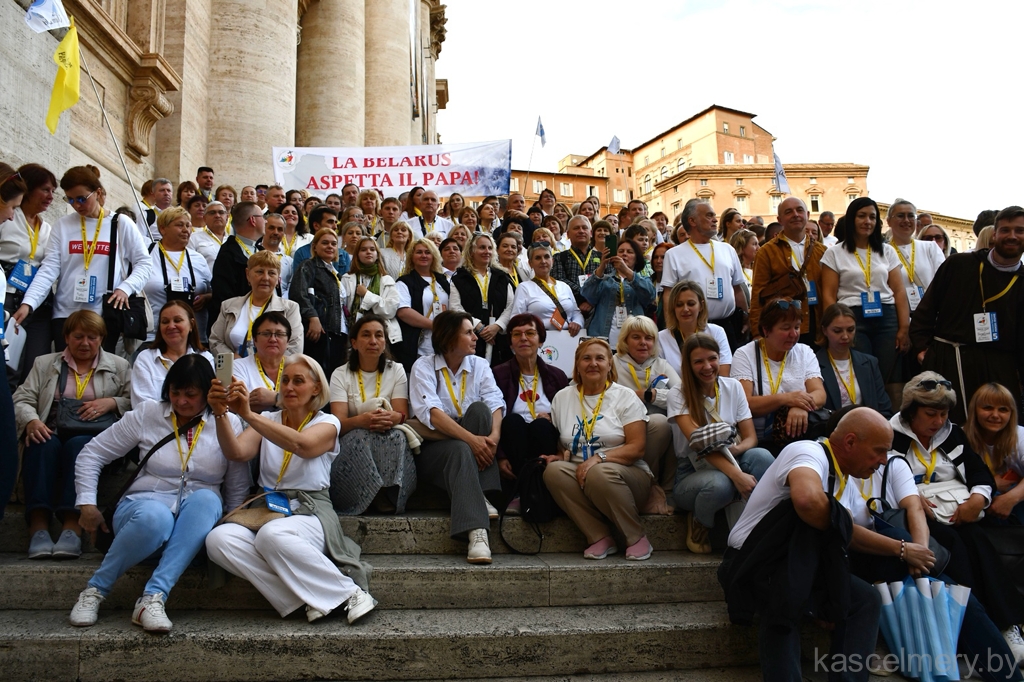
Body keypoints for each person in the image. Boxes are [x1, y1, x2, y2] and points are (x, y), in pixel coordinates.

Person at [69, 355, 248, 632]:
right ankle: (95, 590)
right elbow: (92, 454)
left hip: (193, 531)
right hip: (142, 519)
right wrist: (87, 504)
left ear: (209, 392)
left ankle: (153, 597)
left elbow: (236, 484)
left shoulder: (227, 423)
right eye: (175, 393)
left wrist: (231, 530)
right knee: (156, 517)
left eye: (191, 394)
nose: (181, 401)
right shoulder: (148, 413)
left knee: (207, 498)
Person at [845, 403, 1024, 677]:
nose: (884, 458)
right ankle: (883, 640)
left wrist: (919, 549)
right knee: (911, 558)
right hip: (867, 553)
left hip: (925, 530)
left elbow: (914, 506)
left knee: (961, 559)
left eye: (944, 414)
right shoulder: (829, 466)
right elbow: (848, 532)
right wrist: (906, 549)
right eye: (931, 414)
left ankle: (1001, 643)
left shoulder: (898, 460)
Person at [720, 408, 890, 682]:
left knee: (866, 599)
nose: (883, 461)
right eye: (879, 451)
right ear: (849, 442)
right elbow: (808, 502)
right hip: (753, 563)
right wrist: (842, 520)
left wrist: (901, 549)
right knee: (786, 596)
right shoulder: (807, 452)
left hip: (798, 564)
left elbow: (848, 532)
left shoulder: (845, 481)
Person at [206, 355, 377, 624]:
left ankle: (351, 592)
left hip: (311, 512)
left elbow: (303, 445)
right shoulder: (269, 418)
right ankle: (303, 598)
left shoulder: (328, 421)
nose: (289, 387)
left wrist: (248, 415)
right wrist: (220, 412)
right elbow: (236, 452)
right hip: (267, 509)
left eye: (298, 381)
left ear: (316, 388)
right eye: (285, 380)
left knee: (270, 535)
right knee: (218, 540)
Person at [888, 372, 1024, 656]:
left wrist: (978, 498)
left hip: (957, 509)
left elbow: (979, 473)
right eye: (931, 414)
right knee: (953, 544)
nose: (938, 421)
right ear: (911, 411)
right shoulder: (890, 434)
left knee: (977, 538)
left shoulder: (951, 433)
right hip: (913, 514)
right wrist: (909, 499)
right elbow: (877, 476)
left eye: (944, 414)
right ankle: (974, 629)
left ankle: (1008, 624)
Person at [14, 311, 132, 559]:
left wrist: (112, 402)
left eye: (92, 337)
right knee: (41, 443)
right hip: (52, 429)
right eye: (78, 336)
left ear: (101, 338)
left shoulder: (119, 366)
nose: (85, 343)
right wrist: (32, 420)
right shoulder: (45, 363)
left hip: (95, 437)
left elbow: (136, 402)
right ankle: (38, 525)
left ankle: (72, 525)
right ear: (66, 337)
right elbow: (22, 398)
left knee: (79, 446)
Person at [14, 166, 152, 353]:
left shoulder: (120, 223)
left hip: (103, 313)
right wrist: (29, 303)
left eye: (81, 199)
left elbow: (144, 263)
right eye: (70, 200)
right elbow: (49, 269)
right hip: (65, 314)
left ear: (98, 193)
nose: (77, 205)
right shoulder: (63, 225)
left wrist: (125, 288)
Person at [911, 206, 1024, 425]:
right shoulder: (959, 264)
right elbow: (926, 309)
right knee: (949, 429)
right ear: (994, 234)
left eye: (1019, 230)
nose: (1012, 236)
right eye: (1005, 230)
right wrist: (922, 350)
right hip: (951, 359)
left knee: (995, 431)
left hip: (1000, 366)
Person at [407, 311, 505, 564]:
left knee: (481, 411)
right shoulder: (424, 366)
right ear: (450, 338)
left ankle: (479, 500)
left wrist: (493, 437)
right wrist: (472, 441)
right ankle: (477, 531)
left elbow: (495, 403)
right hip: (434, 448)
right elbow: (434, 416)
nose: (475, 337)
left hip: (473, 443)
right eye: (468, 332)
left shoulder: (479, 364)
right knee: (462, 448)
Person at [545, 338, 654, 561]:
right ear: (577, 365)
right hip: (581, 475)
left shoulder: (624, 396)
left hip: (627, 476)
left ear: (610, 365)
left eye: (600, 358)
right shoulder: (562, 397)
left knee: (599, 472)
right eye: (586, 358)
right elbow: (562, 444)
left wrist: (598, 458)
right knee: (553, 472)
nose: (593, 363)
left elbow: (637, 448)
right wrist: (556, 456)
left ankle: (636, 537)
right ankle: (599, 536)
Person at [670, 333, 774, 553]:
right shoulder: (678, 394)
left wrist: (733, 450)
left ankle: (762, 521)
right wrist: (736, 475)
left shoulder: (733, 386)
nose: (707, 366)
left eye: (712, 358)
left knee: (762, 456)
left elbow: (751, 437)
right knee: (721, 484)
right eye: (699, 361)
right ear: (688, 365)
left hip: (731, 457)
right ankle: (699, 522)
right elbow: (700, 446)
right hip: (692, 468)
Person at [329, 315, 415, 515]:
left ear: (385, 342)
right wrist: (362, 421)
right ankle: (372, 493)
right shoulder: (340, 374)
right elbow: (338, 422)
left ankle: (390, 490)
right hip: (354, 436)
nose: (373, 341)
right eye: (366, 335)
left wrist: (394, 418)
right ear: (354, 343)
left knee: (397, 435)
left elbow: (402, 413)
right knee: (362, 436)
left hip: (387, 431)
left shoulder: (397, 370)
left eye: (379, 335)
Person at [820, 197, 911, 384]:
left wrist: (904, 328)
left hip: (887, 317)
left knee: (890, 374)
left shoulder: (887, 251)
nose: (867, 221)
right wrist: (833, 326)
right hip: (851, 317)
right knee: (861, 373)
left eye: (872, 217)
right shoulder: (834, 253)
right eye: (861, 216)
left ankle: (888, 412)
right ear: (852, 218)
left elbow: (899, 292)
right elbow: (829, 295)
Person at [731, 297, 825, 449]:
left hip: (797, 439)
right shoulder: (745, 354)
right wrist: (787, 399)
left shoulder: (804, 351)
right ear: (766, 330)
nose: (793, 334)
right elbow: (745, 404)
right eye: (786, 328)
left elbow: (820, 394)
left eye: (797, 327)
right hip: (758, 442)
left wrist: (800, 405)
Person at [491, 314, 569, 494]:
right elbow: (492, 418)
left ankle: (535, 491)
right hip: (512, 440)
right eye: (516, 334)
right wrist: (500, 457)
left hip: (545, 439)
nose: (523, 338)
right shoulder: (497, 374)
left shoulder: (557, 376)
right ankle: (524, 492)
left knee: (541, 425)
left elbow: (568, 415)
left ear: (541, 341)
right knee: (513, 421)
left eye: (530, 333)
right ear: (510, 343)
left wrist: (551, 418)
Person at [660, 201, 748, 350]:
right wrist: (671, 327)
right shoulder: (674, 254)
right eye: (709, 216)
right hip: (692, 328)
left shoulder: (727, 249)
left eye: (714, 216)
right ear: (692, 221)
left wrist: (746, 316)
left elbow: (737, 288)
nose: (715, 220)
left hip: (728, 325)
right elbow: (668, 294)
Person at [613, 316, 680, 511]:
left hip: (654, 424)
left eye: (649, 338)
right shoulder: (613, 363)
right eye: (636, 337)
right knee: (659, 422)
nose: (643, 342)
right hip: (620, 424)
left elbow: (681, 397)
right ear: (625, 340)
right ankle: (648, 484)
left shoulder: (661, 365)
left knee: (674, 423)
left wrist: (649, 395)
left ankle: (667, 490)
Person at [749, 198, 827, 348]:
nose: (795, 214)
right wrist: (757, 333)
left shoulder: (822, 251)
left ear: (808, 215)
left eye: (799, 210)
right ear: (779, 219)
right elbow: (757, 296)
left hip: (817, 325)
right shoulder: (766, 252)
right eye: (788, 212)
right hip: (782, 327)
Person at [0, 163, 53, 380]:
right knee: (11, 364)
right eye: (45, 189)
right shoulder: (7, 218)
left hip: (36, 302)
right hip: (10, 297)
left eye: (53, 192)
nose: (50, 196)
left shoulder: (48, 228)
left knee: (33, 365)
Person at [211, 251, 302, 357]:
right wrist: (235, 361)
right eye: (259, 272)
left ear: (278, 279)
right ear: (248, 274)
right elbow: (216, 341)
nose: (265, 278)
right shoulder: (228, 306)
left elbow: (295, 348)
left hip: (273, 372)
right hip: (234, 370)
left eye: (272, 273)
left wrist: (264, 365)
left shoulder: (290, 308)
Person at [141, 207, 212, 343]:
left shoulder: (198, 259)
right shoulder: (146, 255)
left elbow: (212, 291)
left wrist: (207, 297)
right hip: (152, 337)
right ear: (163, 229)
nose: (186, 230)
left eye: (188, 225)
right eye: (179, 225)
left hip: (192, 338)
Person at [815, 303, 892, 416]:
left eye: (850, 330)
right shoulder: (813, 363)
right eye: (837, 331)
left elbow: (884, 408)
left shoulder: (870, 362)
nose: (845, 336)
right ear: (824, 330)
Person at [448, 233, 514, 366]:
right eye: (482, 247)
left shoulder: (502, 276)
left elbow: (511, 305)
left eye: (490, 248)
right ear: (472, 251)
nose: (487, 252)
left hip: (498, 339)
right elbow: (455, 307)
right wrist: (478, 326)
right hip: (469, 336)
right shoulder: (459, 278)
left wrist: (497, 326)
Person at [290, 228, 347, 377]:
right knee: (319, 376)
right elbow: (298, 293)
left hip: (338, 333)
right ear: (314, 246)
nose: (330, 246)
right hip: (320, 331)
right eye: (325, 243)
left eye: (334, 244)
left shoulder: (336, 272)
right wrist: (312, 317)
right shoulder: (308, 266)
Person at [132, 300, 212, 406]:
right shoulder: (146, 358)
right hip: (155, 422)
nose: (171, 326)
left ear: (191, 324)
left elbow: (208, 401)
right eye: (165, 322)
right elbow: (142, 406)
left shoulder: (205, 357)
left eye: (177, 320)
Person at [965, 383, 1024, 525]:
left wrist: (1010, 499)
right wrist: (992, 484)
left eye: (1003, 410)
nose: (995, 415)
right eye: (988, 408)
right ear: (975, 410)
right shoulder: (960, 437)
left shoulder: (1020, 435)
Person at [582, 238, 654, 347]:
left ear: (637, 258)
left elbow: (649, 296)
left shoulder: (643, 279)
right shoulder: (604, 280)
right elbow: (587, 294)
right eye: (621, 251)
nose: (624, 254)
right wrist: (601, 267)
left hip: (633, 344)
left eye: (629, 252)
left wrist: (627, 272)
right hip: (603, 340)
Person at [209, 201, 266, 332]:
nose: (266, 221)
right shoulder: (228, 254)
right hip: (239, 325)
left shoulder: (261, 250)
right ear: (253, 220)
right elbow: (224, 297)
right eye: (262, 217)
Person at [395, 238, 449, 374]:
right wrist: (436, 325)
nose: (424, 255)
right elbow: (403, 312)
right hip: (417, 346)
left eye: (427, 252)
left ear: (434, 256)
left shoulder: (443, 280)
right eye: (419, 252)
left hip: (444, 343)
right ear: (412, 257)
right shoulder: (404, 282)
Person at [658, 281, 733, 378]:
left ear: (701, 306)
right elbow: (662, 378)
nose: (685, 309)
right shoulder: (661, 338)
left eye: (691, 304)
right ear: (673, 308)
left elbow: (724, 375)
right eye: (679, 305)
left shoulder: (716, 332)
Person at [339, 236, 400, 350]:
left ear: (377, 255)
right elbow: (343, 308)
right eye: (363, 249)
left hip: (382, 334)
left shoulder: (387, 279)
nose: (368, 252)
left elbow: (390, 310)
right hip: (353, 334)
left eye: (372, 249)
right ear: (357, 254)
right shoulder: (347, 278)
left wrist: (367, 295)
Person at [886, 198, 946, 313]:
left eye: (911, 216)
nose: (906, 220)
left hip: (931, 313)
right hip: (899, 314)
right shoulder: (883, 252)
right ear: (888, 221)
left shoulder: (930, 247)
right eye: (900, 216)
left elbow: (944, 281)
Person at [511, 241, 583, 335]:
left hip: (567, 338)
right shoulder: (524, 287)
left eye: (546, 256)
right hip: (539, 339)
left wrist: (577, 323)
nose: (543, 261)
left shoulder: (564, 286)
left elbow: (576, 313)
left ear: (552, 261)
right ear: (530, 263)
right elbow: (516, 318)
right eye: (538, 258)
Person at [550, 215, 600, 318]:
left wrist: (591, 301)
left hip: (598, 311)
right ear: (568, 234)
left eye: (584, 228)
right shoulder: (559, 258)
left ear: (591, 233)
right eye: (576, 228)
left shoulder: (603, 258)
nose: (581, 231)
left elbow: (607, 281)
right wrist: (586, 295)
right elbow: (559, 281)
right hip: (569, 311)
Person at [190, 200, 230, 272]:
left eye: (221, 212)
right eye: (212, 213)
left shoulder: (232, 240)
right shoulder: (193, 238)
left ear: (227, 217)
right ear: (205, 218)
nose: (217, 215)